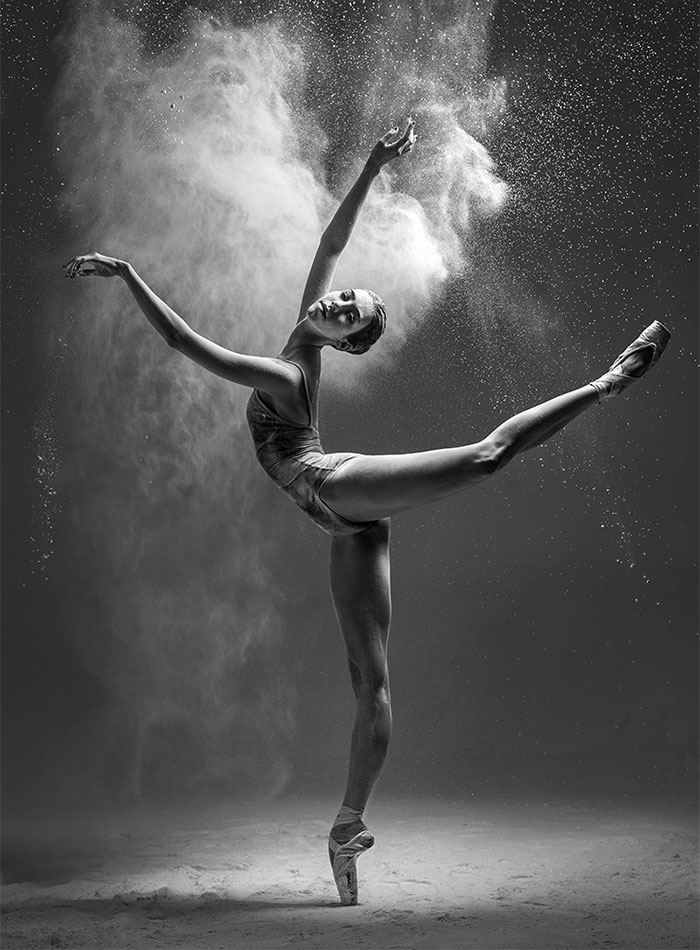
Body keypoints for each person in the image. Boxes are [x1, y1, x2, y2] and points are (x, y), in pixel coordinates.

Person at [63, 118, 670, 905]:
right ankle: (347, 831)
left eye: (348, 311)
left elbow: (184, 342)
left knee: (487, 457)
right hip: (334, 515)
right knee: (370, 684)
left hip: (332, 486)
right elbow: (333, 239)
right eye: (344, 297)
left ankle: (607, 382)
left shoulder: (287, 374)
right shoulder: (303, 334)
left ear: (344, 343)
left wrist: (125, 270)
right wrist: (376, 164)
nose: (337, 298)